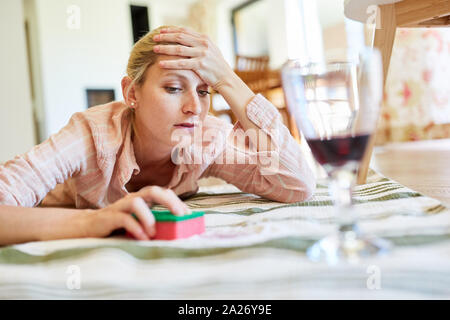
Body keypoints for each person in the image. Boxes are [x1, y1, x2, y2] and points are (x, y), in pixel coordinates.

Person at [0, 25, 315, 245]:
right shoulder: (91, 135)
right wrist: (92, 222)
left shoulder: (205, 140)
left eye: (205, 91)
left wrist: (227, 78)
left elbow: (297, 184)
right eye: (174, 88)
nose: (195, 108)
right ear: (132, 93)